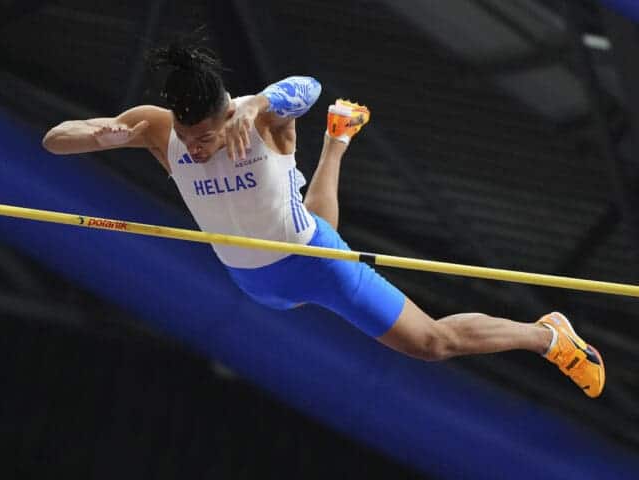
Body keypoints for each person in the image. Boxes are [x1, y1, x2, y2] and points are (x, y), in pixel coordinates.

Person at [42, 41, 605, 398]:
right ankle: (338, 142)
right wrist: (101, 135)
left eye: (206, 137)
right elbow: (54, 140)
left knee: (431, 343)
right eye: (189, 139)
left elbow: (307, 88)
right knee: (306, 220)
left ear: (225, 112)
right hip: (250, 281)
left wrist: (258, 104)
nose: (196, 148)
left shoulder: (260, 118)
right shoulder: (157, 127)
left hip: (315, 265)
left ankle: (547, 336)